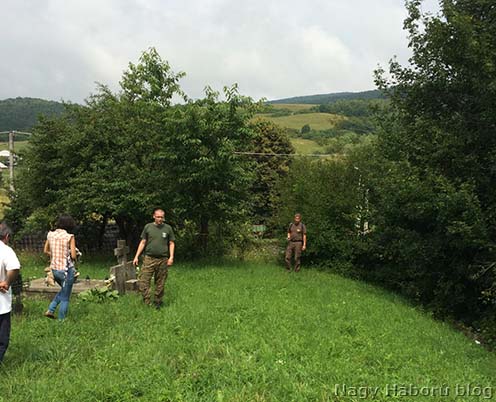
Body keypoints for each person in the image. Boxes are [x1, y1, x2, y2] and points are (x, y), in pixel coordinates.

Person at [133, 208, 175, 309]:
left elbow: (171, 243)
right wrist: (136, 256)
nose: (160, 219)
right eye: (158, 217)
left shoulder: (168, 228)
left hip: (163, 259)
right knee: (143, 281)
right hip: (149, 258)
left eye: (162, 217)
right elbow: (143, 242)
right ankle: (147, 301)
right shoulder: (148, 227)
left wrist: (171, 257)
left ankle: (158, 302)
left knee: (160, 282)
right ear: (154, 216)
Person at [43, 214, 77, 320]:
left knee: (63, 290)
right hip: (67, 271)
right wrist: (76, 255)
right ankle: (61, 320)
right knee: (66, 297)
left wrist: (54, 255)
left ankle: (51, 309)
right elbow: (73, 255)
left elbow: (45, 250)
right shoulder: (69, 237)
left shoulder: (50, 235)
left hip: (54, 270)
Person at [0, 222, 21, 364]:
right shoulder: (5, 251)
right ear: (7, 236)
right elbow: (14, 267)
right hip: (1, 304)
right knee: (1, 341)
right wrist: (6, 282)